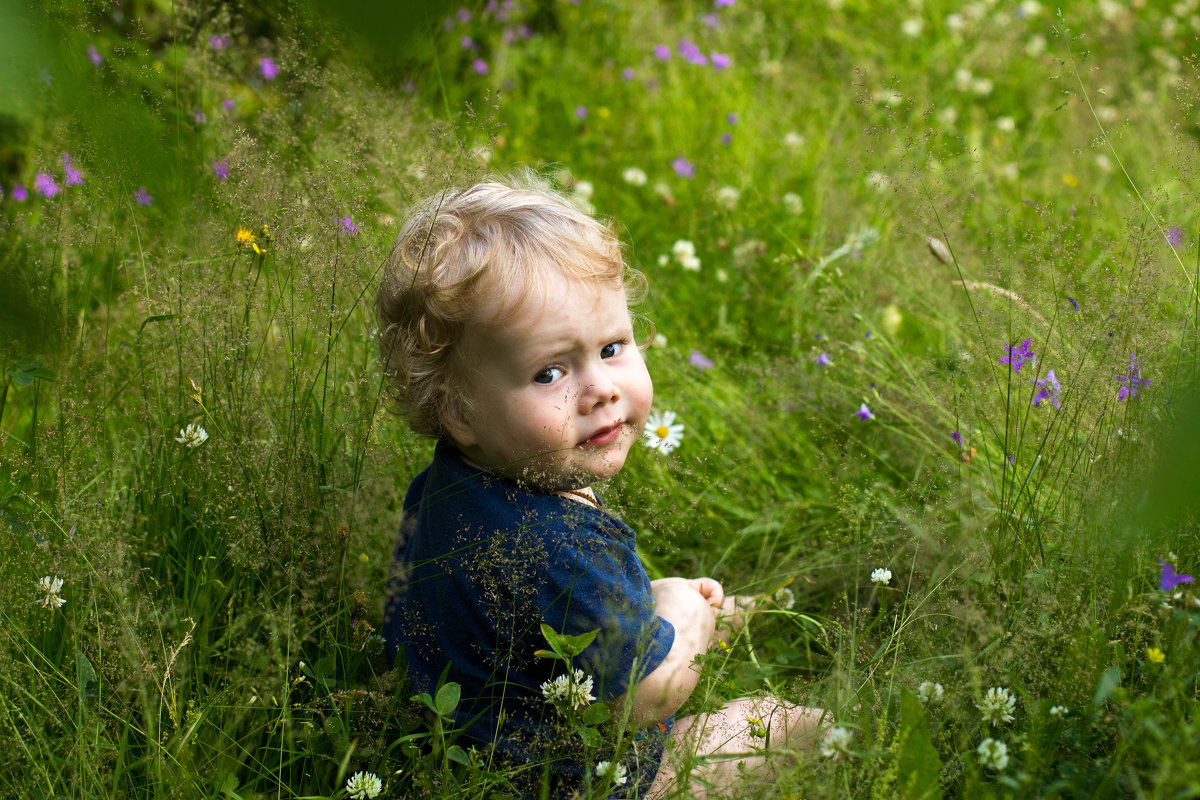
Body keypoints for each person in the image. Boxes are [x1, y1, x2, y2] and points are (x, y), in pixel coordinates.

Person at [376, 173, 823, 798]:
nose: (601, 389)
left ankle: (684, 619)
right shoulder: (560, 547)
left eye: (612, 347)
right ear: (459, 410)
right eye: (550, 371)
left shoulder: (443, 488)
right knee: (790, 727)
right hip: (586, 782)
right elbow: (642, 699)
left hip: (463, 763)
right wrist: (683, 616)